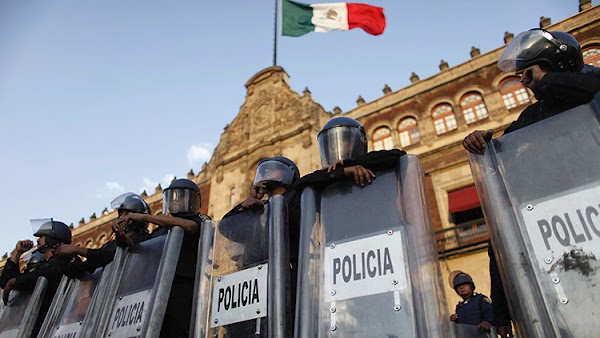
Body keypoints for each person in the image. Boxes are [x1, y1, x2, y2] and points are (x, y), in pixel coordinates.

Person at [462, 29, 600, 338]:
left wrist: (546, 78)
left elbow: (590, 85)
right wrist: (484, 141)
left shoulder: (590, 91)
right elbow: (500, 238)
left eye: (530, 73)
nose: (526, 83)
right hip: (561, 242)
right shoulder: (531, 116)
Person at [119, 178, 210, 338]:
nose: (176, 201)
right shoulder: (160, 229)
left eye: (181, 197)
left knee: (180, 329)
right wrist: (120, 235)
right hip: (157, 286)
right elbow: (138, 246)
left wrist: (146, 218)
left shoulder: (201, 219)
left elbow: (189, 227)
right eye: (173, 197)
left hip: (184, 285)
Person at [221, 156, 301, 336]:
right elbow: (226, 228)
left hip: (288, 277)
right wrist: (246, 205)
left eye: (273, 169)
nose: (266, 173)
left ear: (289, 174)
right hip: (254, 283)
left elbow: (296, 223)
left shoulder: (299, 197)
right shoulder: (257, 208)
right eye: (264, 170)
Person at [295, 116, 406, 192]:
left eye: (344, 141)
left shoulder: (371, 163)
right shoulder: (324, 176)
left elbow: (397, 155)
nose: (336, 147)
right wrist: (343, 171)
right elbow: (302, 183)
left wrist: (349, 163)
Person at [0, 219, 72, 337]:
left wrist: (15, 282)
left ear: (52, 238)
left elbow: (45, 273)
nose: (38, 240)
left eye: (42, 237)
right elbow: (5, 282)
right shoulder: (45, 266)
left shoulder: (60, 263)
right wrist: (17, 253)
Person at [54, 192, 152, 277]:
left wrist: (76, 249)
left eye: (127, 214)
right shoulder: (110, 245)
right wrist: (63, 261)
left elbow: (105, 255)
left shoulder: (144, 239)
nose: (122, 218)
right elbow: (87, 266)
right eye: (121, 214)